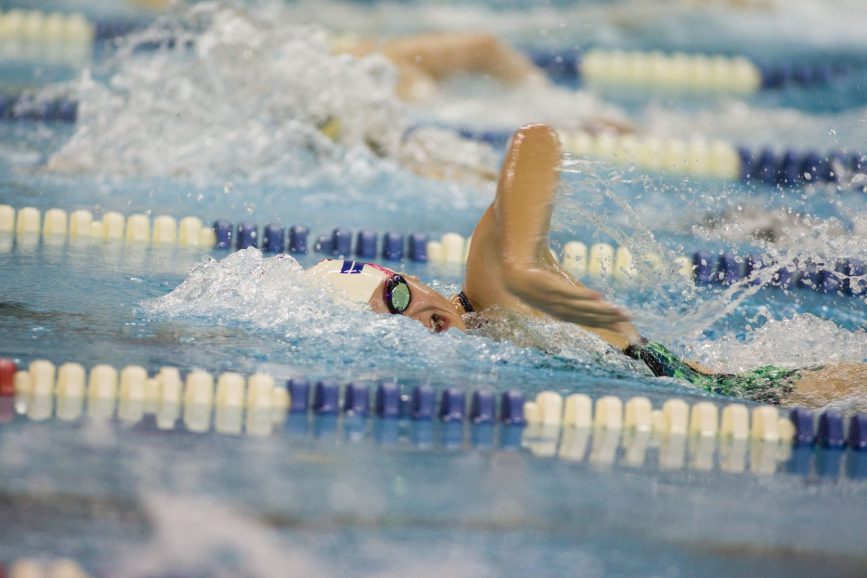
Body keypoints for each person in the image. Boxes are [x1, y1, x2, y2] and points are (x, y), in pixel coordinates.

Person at [307, 124, 864, 408]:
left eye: (398, 296)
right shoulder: (478, 357)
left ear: (410, 278)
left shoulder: (489, 286)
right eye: (390, 326)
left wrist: (520, 263)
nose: (412, 317)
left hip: (756, 392)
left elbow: (536, 139)